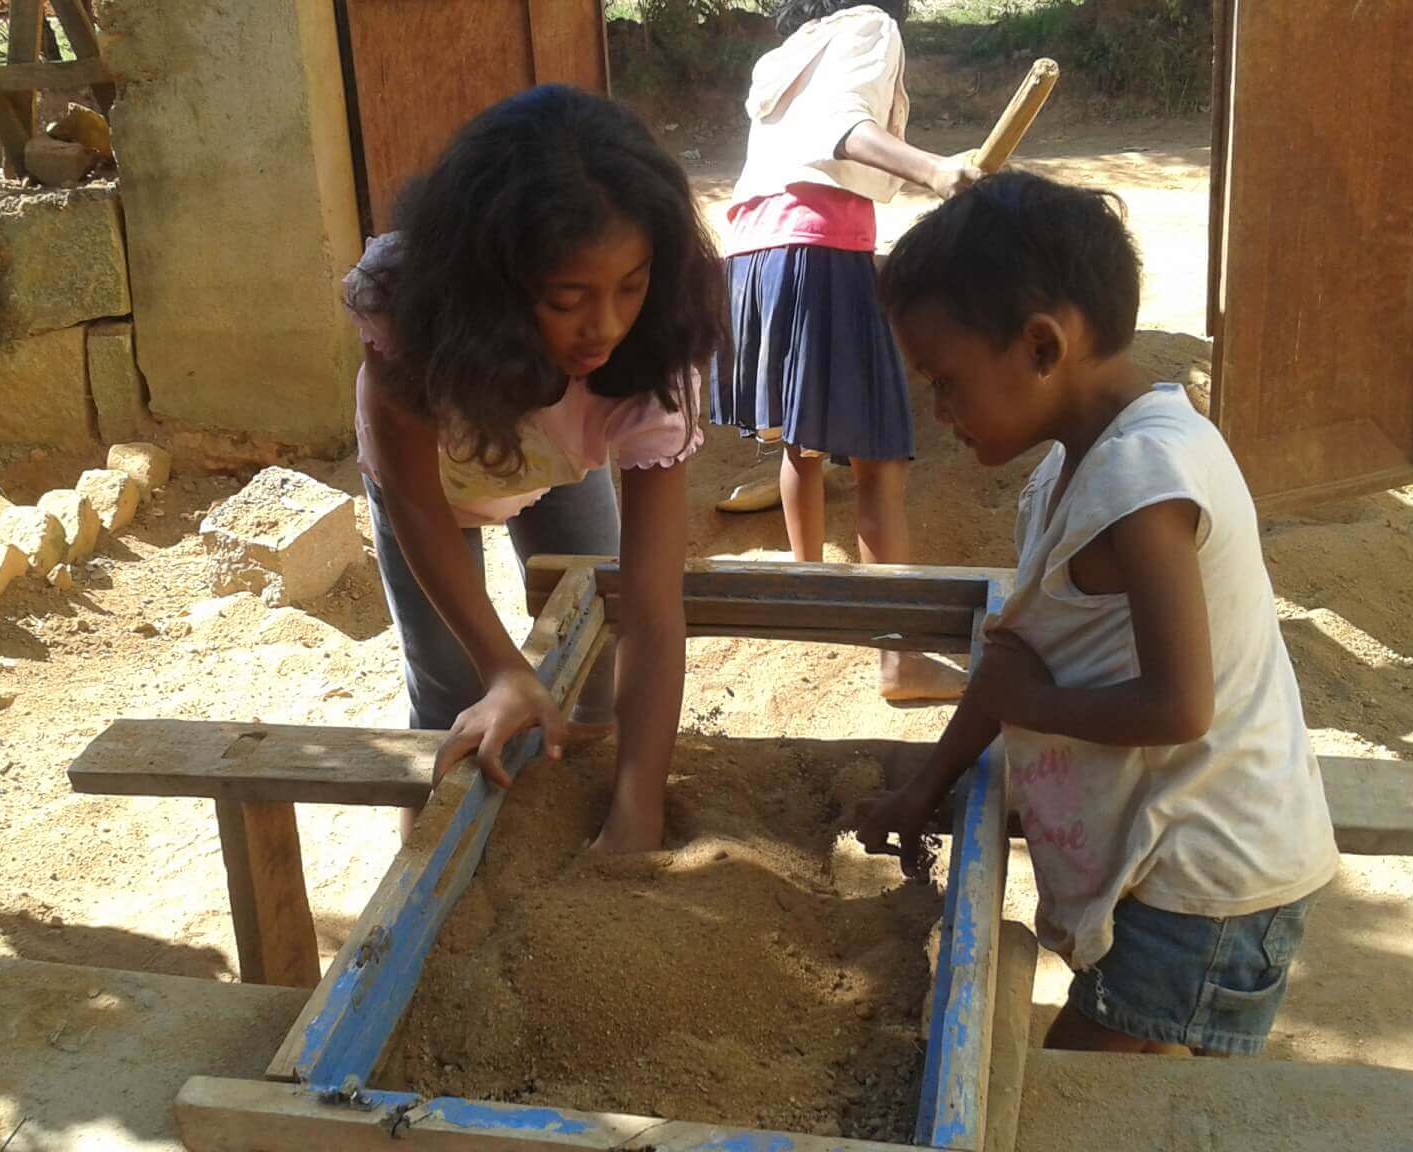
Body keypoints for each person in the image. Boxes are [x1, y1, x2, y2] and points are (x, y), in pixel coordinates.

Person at [856, 172, 1339, 1057]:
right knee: (1151, 1093)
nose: (939, 412)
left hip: (1206, 886)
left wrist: (1034, 704)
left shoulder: (1141, 479)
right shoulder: (1074, 469)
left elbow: (1178, 707)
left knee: (1089, 1093)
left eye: (947, 382)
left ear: (1043, 346)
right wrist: (927, 786)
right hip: (1172, 869)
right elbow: (1013, 663)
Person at [347, 86, 726, 853]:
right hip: (431, 487)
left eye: (631, 285)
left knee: (599, 659)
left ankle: (572, 774)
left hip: (556, 469)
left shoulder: (653, 360)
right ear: (496, 285)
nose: (605, 326)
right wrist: (502, 668)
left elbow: (651, 610)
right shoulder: (410, 307)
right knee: (451, 690)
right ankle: (426, 870)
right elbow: (417, 503)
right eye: (567, 298)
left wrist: (638, 813)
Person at [711, 0, 980, 701]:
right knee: (879, 457)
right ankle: (900, 659)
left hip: (753, 254)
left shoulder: (792, 49)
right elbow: (842, 127)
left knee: (802, 441)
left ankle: (811, 598)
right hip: (820, 248)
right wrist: (935, 170)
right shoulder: (870, 26)